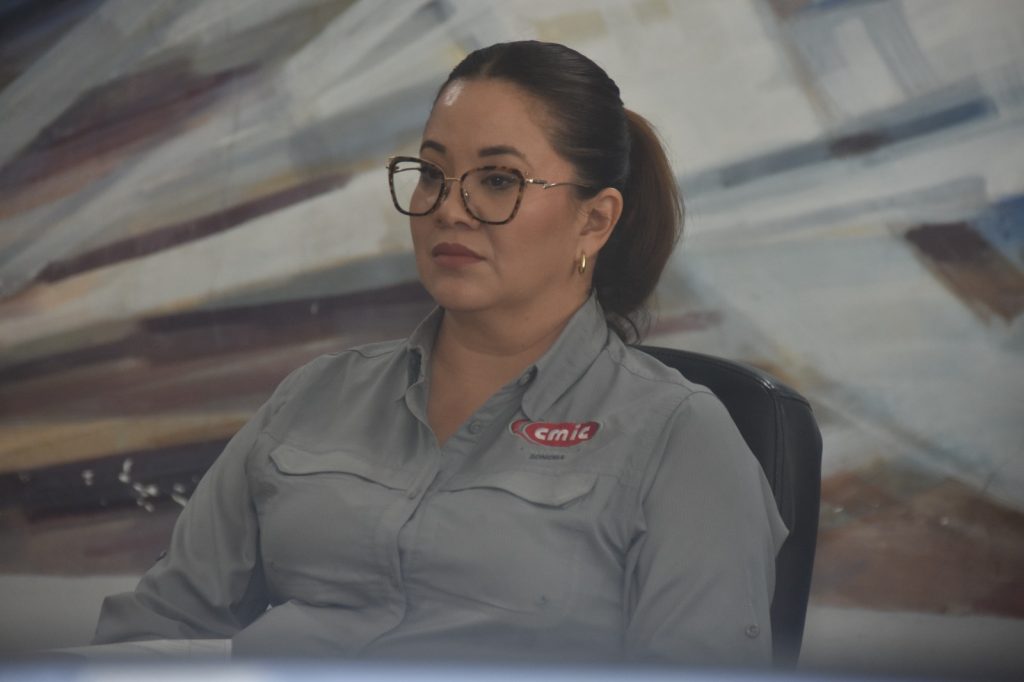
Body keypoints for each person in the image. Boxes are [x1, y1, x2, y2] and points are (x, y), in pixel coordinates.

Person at [94, 40, 787, 666]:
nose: (449, 209)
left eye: (498, 180)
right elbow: (160, 629)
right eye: (431, 173)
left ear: (595, 219)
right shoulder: (315, 396)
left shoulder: (678, 437)